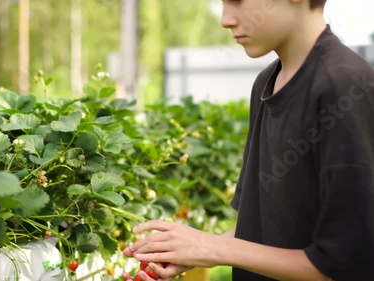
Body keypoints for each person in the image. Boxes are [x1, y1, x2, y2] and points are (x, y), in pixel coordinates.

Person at [122, 0, 374, 280]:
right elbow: (257, 229)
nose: (225, 19)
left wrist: (213, 249)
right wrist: (191, 250)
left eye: (237, 1)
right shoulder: (267, 82)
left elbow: (341, 264)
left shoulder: (344, 85)